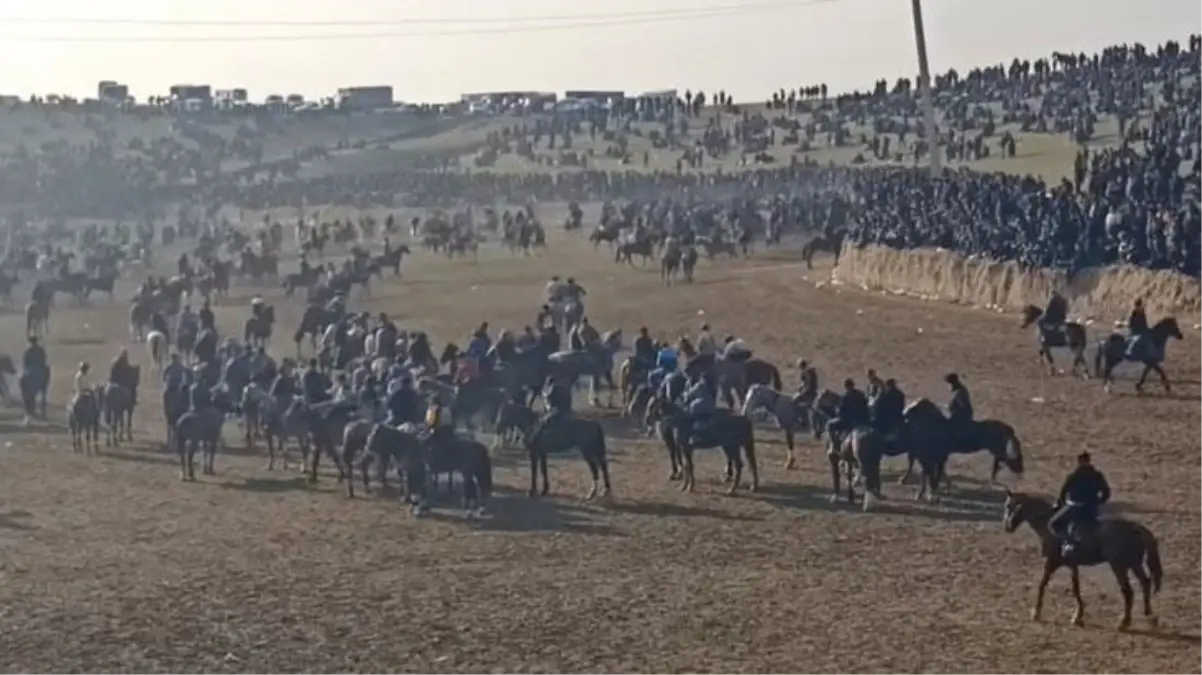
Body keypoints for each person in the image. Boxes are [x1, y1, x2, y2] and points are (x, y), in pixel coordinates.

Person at [1049, 452, 1112, 557]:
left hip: (1075, 507)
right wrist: (1097, 502)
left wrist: (1060, 504)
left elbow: (1063, 493)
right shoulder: (1097, 476)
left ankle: (1068, 542)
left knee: (1054, 523)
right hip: (1092, 508)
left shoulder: (1074, 476)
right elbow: (1106, 493)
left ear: (1079, 462)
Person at [826, 378, 870, 448]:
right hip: (862, 420)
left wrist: (836, 409)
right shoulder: (861, 394)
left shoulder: (845, 397)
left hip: (849, 422)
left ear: (846, 386)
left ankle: (834, 445)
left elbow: (841, 412)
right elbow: (866, 407)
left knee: (829, 424)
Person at [533, 376, 573, 445]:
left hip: (557, 411)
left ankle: (536, 440)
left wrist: (547, 413)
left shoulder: (552, 389)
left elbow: (550, 404)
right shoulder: (559, 388)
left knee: (541, 422)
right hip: (562, 410)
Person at [683, 372, 717, 442]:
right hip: (711, 406)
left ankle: (694, 435)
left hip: (699, 405)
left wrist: (685, 394)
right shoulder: (712, 385)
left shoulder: (700, 384)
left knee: (689, 416)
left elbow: (690, 394)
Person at [945, 373, 974, 446]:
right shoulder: (957, 392)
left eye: (949, 384)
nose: (948, 387)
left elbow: (963, 406)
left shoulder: (960, 392)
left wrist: (954, 414)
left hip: (961, 416)